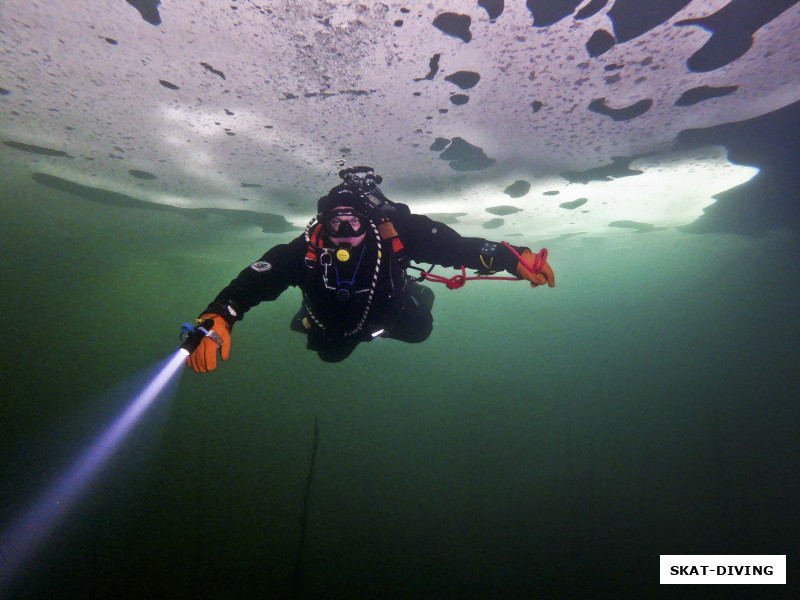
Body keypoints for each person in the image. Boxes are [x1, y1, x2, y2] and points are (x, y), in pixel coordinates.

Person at [185, 167, 555, 370]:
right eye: (335, 223)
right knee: (329, 355)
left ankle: (411, 290)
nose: (344, 233)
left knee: (421, 330)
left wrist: (512, 257)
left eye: (354, 222)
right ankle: (313, 316)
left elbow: (455, 247)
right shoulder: (306, 251)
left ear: (371, 221)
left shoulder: (399, 235)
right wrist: (220, 314)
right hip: (331, 319)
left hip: (386, 313)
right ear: (322, 224)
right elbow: (256, 279)